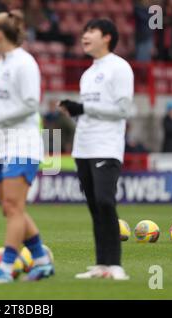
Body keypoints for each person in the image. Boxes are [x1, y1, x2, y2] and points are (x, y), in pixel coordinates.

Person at [0, 10, 55, 283]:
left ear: (0, 35)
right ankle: (41, 260)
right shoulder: (1, 65)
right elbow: (3, 108)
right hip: (3, 145)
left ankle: (6, 268)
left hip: (23, 144)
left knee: (14, 207)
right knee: (9, 207)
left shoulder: (24, 63)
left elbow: (30, 104)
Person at [58, 18, 135, 280]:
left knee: (105, 201)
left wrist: (85, 108)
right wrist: (74, 111)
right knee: (94, 206)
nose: (84, 36)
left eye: (91, 31)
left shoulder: (120, 68)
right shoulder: (88, 73)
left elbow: (124, 110)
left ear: (107, 37)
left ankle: (116, 265)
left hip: (107, 146)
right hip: (83, 147)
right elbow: (89, 113)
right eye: (84, 31)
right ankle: (102, 265)